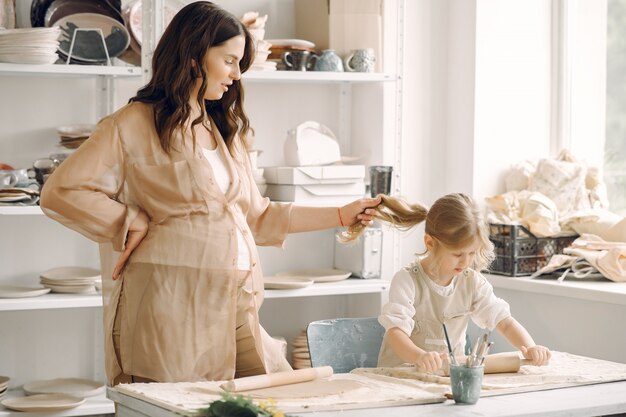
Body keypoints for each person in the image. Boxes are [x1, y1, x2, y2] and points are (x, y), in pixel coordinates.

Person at [40, 1, 380, 385]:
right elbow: (61, 191)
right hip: (169, 309)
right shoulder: (132, 124)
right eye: (230, 60)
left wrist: (341, 214)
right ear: (194, 56)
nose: (237, 75)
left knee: (271, 396)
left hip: (236, 305)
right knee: (177, 407)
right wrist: (126, 218)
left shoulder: (222, 129)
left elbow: (260, 216)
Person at [341, 193, 551, 372]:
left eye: (472, 253)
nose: (466, 261)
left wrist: (530, 347)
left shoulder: (473, 283)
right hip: (401, 377)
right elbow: (395, 332)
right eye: (458, 254)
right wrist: (419, 357)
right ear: (430, 243)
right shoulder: (407, 280)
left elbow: (504, 322)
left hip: (449, 378)